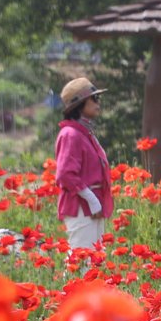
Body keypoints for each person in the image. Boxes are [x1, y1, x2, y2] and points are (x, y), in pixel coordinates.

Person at [54, 77, 115, 250]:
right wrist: (91, 199)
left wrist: (95, 201)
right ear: (80, 104)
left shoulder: (84, 133)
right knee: (81, 260)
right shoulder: (70, 134)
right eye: (94, 98)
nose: (98, 102)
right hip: (81, 206)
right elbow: (65, 175)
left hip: (92, 205)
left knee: (94, 261)